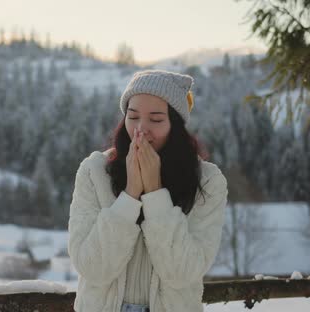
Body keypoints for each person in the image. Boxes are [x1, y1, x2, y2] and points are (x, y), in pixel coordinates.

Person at [68, 69, 228, 312]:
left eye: (156, 120)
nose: (141, 130)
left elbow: (183, 272)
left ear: (175, 125)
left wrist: (154, 192)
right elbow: (92, 267)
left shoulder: (208, 181)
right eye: (132, 117)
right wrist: (131, 193)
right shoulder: (95, 172)